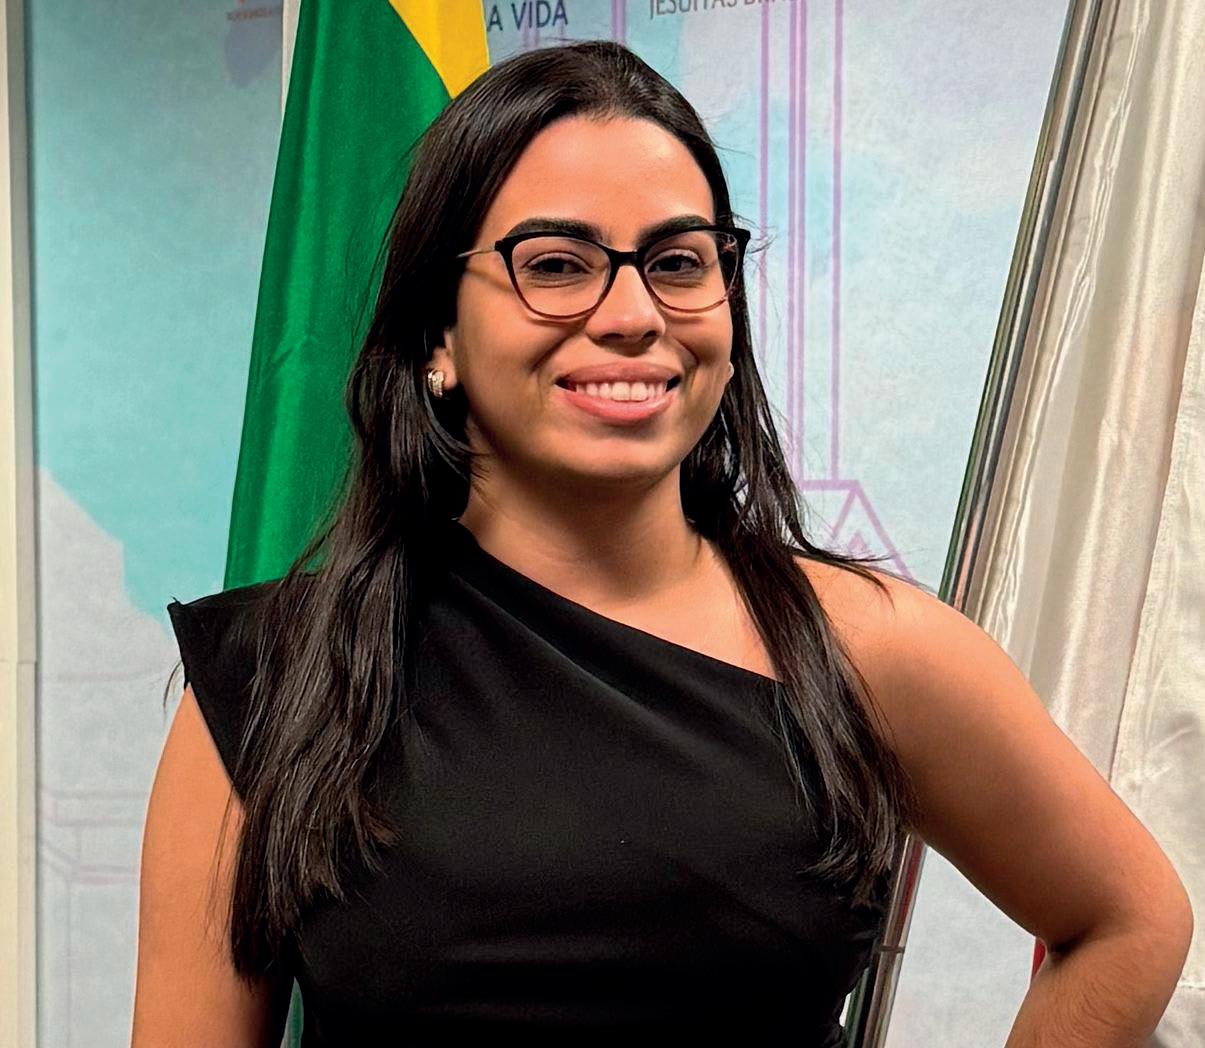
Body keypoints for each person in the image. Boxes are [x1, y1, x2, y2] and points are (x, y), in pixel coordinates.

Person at [131, 40, 1191, 1047]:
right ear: (434, 338)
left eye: (678, 262)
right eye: (557, 264)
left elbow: (1129, 918)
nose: (634, 314)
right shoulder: (270, 680)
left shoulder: (874, 650)